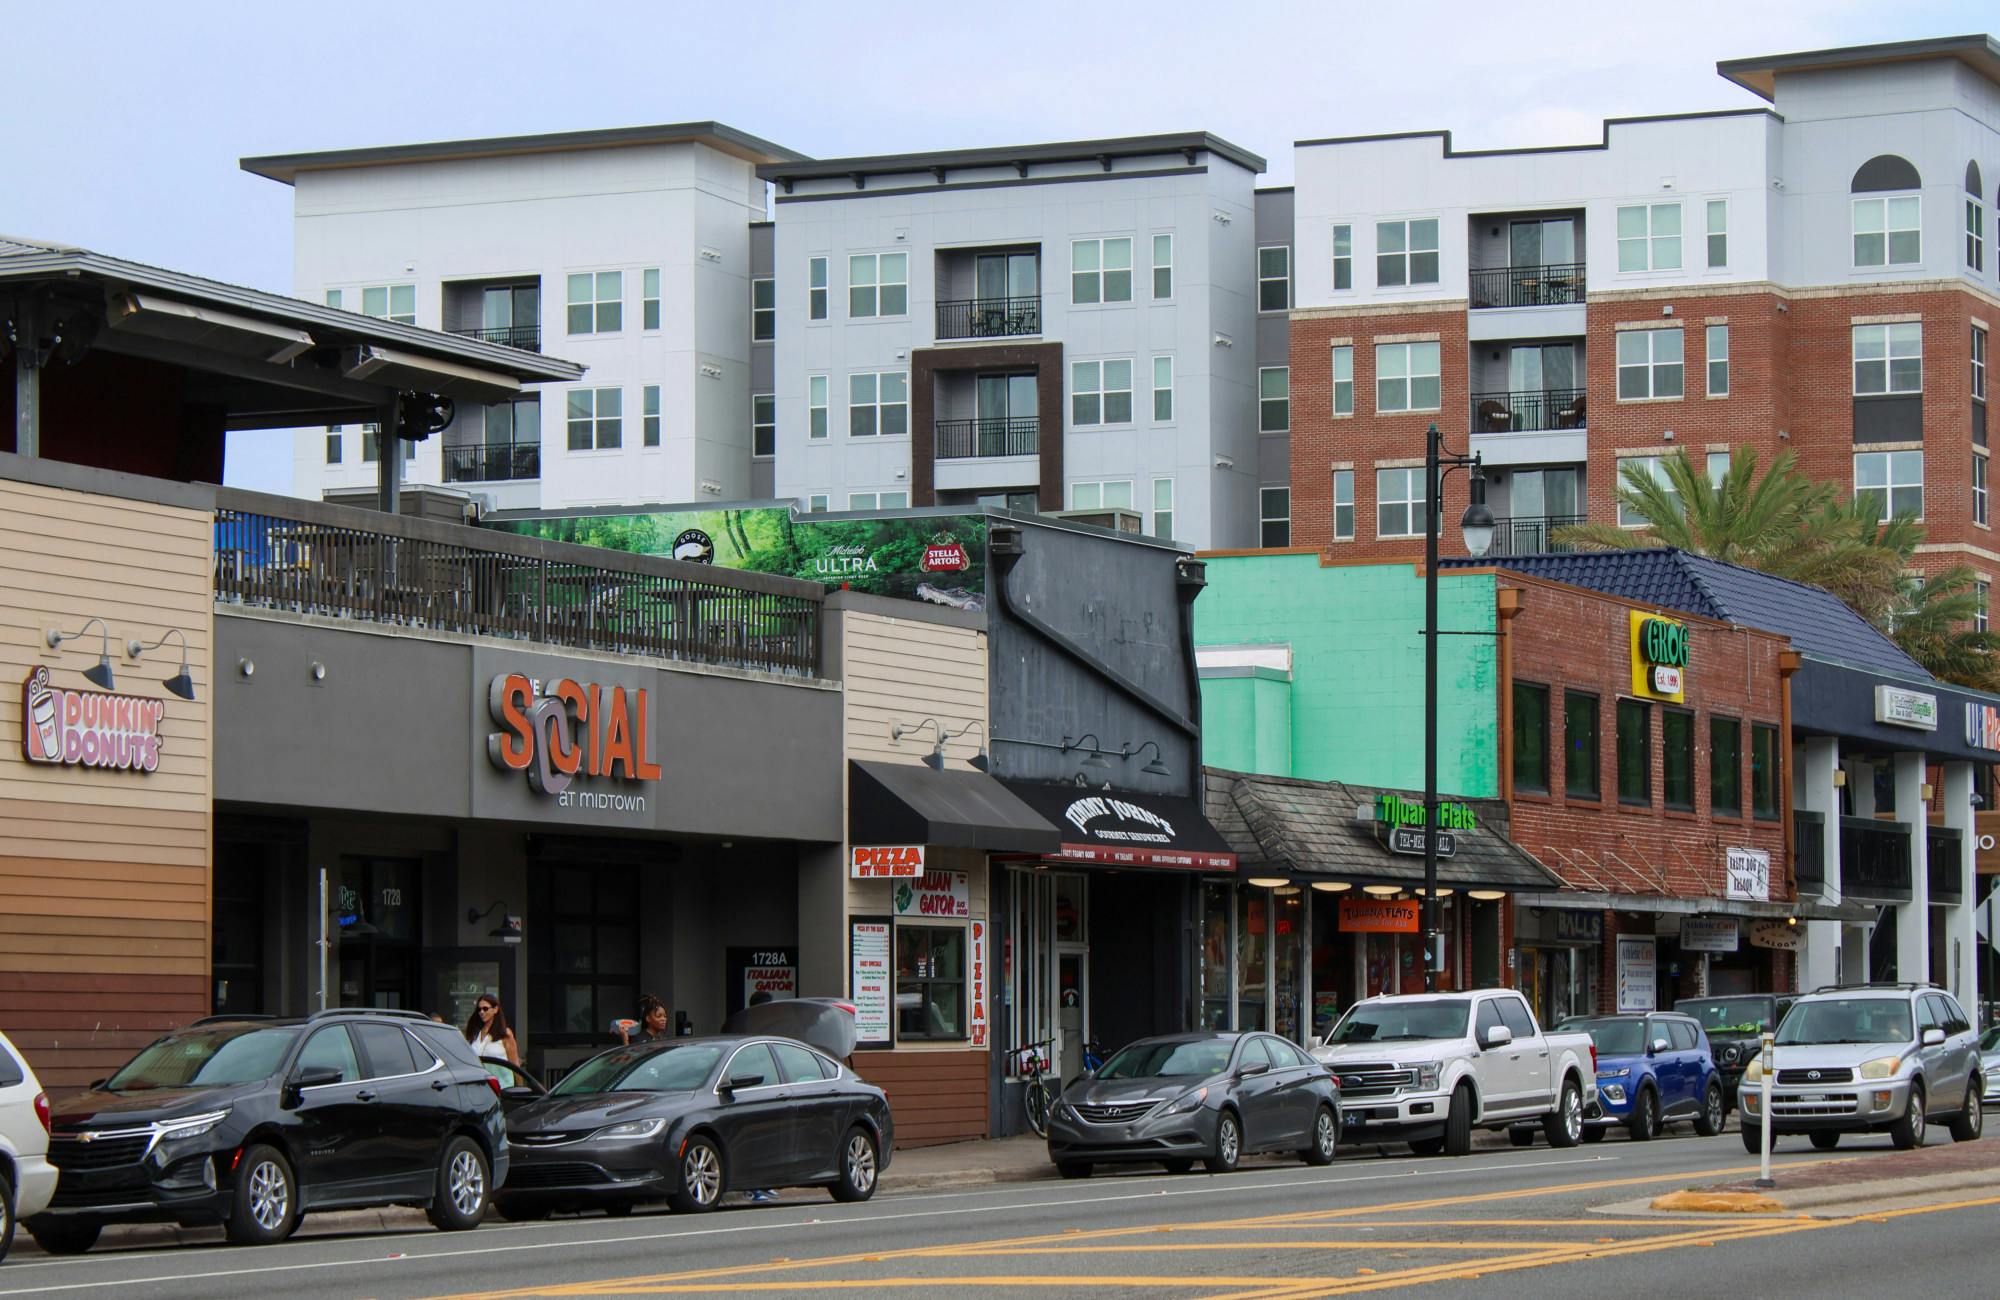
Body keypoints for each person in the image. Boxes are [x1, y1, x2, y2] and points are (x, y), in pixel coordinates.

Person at [743, 989, 778, 1204]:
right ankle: (751, 1187)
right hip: (749, 1092)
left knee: (767, 1139)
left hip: (769, 1090)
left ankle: (765, 1183)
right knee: (752, 1141)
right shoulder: (747, 1028)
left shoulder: (769, 1029)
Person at [464, 995, 520, 1065]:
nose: (481, 1012)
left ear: (495, 1009)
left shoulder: (505, 1033)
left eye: (485, 1008)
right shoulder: (475, 1033)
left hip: (500, 1076)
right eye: (479, 1009)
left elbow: (515, 1065)